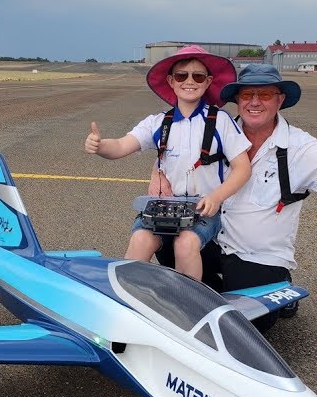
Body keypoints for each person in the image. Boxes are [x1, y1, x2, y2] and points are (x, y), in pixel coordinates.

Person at [209, 63, 317, 332]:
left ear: (280, 100)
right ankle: (225, 288)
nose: (254, 102)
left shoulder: (299, 146)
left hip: (258, 255)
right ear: (237, 100)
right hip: (212, 241)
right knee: (170, 248)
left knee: (245, 328)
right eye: (247, 95)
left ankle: (280, 285)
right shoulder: (218, 134)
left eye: (264, 95)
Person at [84, 45, 251, 282]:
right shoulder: (159, 122)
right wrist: (100, 146)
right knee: (140, 239)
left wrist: (216, 197)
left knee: (186, 243)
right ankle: (127, 299)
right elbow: (121, 146)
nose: (189, 81)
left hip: (203, 208)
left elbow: (243, 168)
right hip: (164, 206)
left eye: (198, 76)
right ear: (172, 81)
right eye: (182, 75)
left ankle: (188, 302)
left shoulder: (220, 121)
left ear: (208, 82)